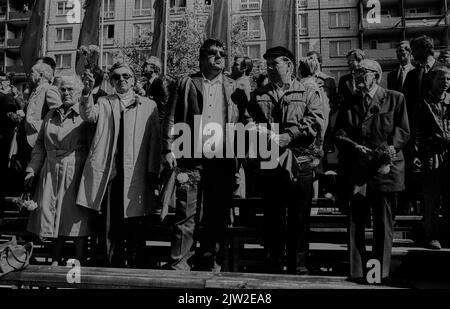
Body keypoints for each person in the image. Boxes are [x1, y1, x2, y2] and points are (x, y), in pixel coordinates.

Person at [161, 39, 251, 272]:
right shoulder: (186, 82)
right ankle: (179, 265)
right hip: (190, 157)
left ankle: (211, 264)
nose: (219, 56)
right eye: (213, 53)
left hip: (222, 161)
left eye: (223, 53)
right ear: (201, 57)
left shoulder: (234, 87)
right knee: (185, 214)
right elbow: (171, 117)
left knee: (216, 217)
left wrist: (241, 157)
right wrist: (168, 149)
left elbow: (245, 121)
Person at [77, 62, 161, 268]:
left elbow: (155, 142)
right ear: (111, 82)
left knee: (135, 224)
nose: (121, 80)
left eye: (126, 76)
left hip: (137, 174)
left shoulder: (149, 105)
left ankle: (135, 268)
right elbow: (88, 115)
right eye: (116, 77)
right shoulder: (105, 102)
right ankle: (109, 267)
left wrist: (153, 171)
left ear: (133, 80)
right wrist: (87, 92)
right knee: (109, 225)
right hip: (111, 174)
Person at [248, 46, 324, 274]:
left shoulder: (308, 92)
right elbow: (248, 119)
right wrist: (261, 133)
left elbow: (315, 120)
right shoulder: (258, 94)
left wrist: (289, 136)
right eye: (267, 65)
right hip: (271, 162)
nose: (269, 68)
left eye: (274, 64)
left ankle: (298, 267)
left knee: (300, 218)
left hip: (300, 162)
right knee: (273, 217)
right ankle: (273, 265)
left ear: (289, 65)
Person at [334, 59, 410, 282]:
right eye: (355, 72)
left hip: (385, 170)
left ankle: (377, 274)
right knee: (355, 223)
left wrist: (385, 151)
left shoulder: (395, 98)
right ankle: (357, 273)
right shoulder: (349, 102)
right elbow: (339, 133)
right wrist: (354, 146)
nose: (357, 75)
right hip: (357, 170)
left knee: (383, 225)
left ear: (376, 75)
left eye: (362, 72)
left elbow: (403, 132)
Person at [24, 75, 96, 266]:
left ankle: (78, 264)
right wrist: (32, 169)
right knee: (54, 218)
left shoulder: (84, 113)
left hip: (75, 171)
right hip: (50, 171)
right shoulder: (51, 114)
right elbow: (40, 145)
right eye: (62, 89)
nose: (65, 93)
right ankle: (54, 263)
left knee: (75, 219)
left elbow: (94, 139)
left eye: (70, 89)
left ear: (80, 91)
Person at [414, 67, 450, 250]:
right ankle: (431, 234)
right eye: (442, 79)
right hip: (432, 153)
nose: (446, 82)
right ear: (433, 80)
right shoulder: (424, 102)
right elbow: (417, 131)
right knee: (432, 197)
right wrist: (417, 154)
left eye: (448, 79)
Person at [298, 57, 331, 200]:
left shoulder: (307, 86)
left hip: (308, 135)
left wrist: (319, 140)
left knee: (309, 170)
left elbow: (317, 115)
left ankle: (313, 202)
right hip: (314, 134)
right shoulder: (313, 84)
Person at [24, 62, 62, 151]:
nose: (29, 75)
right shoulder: (36, 90)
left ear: (40, 75)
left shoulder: (49, 89)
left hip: (38, 140)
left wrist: (36, 125)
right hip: (29, 138)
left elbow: (57, 115)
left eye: (32, 72)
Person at [0, 72, 23, 218]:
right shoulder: (7, 97)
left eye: (6, 81)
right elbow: (15, 115)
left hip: (7, 140)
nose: (4, 83)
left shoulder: (9, 96)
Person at [141, 56, 171, 122]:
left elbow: (165, 105)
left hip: (160, 122)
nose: (142, 67)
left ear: (153, 68)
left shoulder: (162, 82)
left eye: (145, 65)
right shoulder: (146, 85)